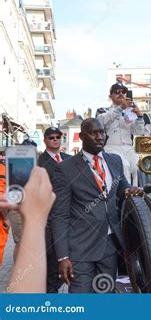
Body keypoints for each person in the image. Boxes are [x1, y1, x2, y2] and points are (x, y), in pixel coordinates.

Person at [50, 118, 144, 293]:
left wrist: (131, 190)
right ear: (81, 136)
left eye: (101, 132)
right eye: (93, 133)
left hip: (110, 245)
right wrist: (62, 256)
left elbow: (121, 188)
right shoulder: (65, 169)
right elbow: (59, 215)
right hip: (80, 249)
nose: (99, 136)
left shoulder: (114, 160)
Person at [2, 167, 56, 293]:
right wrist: (35, 220)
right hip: (18, 210)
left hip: (23, 207)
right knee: (19, 242)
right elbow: (25, 308)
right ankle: (18, 268)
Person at [37, 126, 72, 293]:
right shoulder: (38, 163)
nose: (56, 139)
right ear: (45, 140)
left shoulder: (70, 159)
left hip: (73, 219)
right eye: (51, 137)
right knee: (52, 269)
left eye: (58, 136)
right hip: (49, 221)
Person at [96, 82, 144, 185]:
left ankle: (137, 195)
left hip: (129, 147)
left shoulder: (130, 111)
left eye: (123, 92)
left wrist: (139, 117)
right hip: (112, 147)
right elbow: (101, 123)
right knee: (124, 166)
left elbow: (138, 132)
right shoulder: (103, 110)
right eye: (117, 92)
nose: (121, 94)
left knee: (139, 166)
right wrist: (120, 108)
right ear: (110, 96)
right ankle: (125, 195)